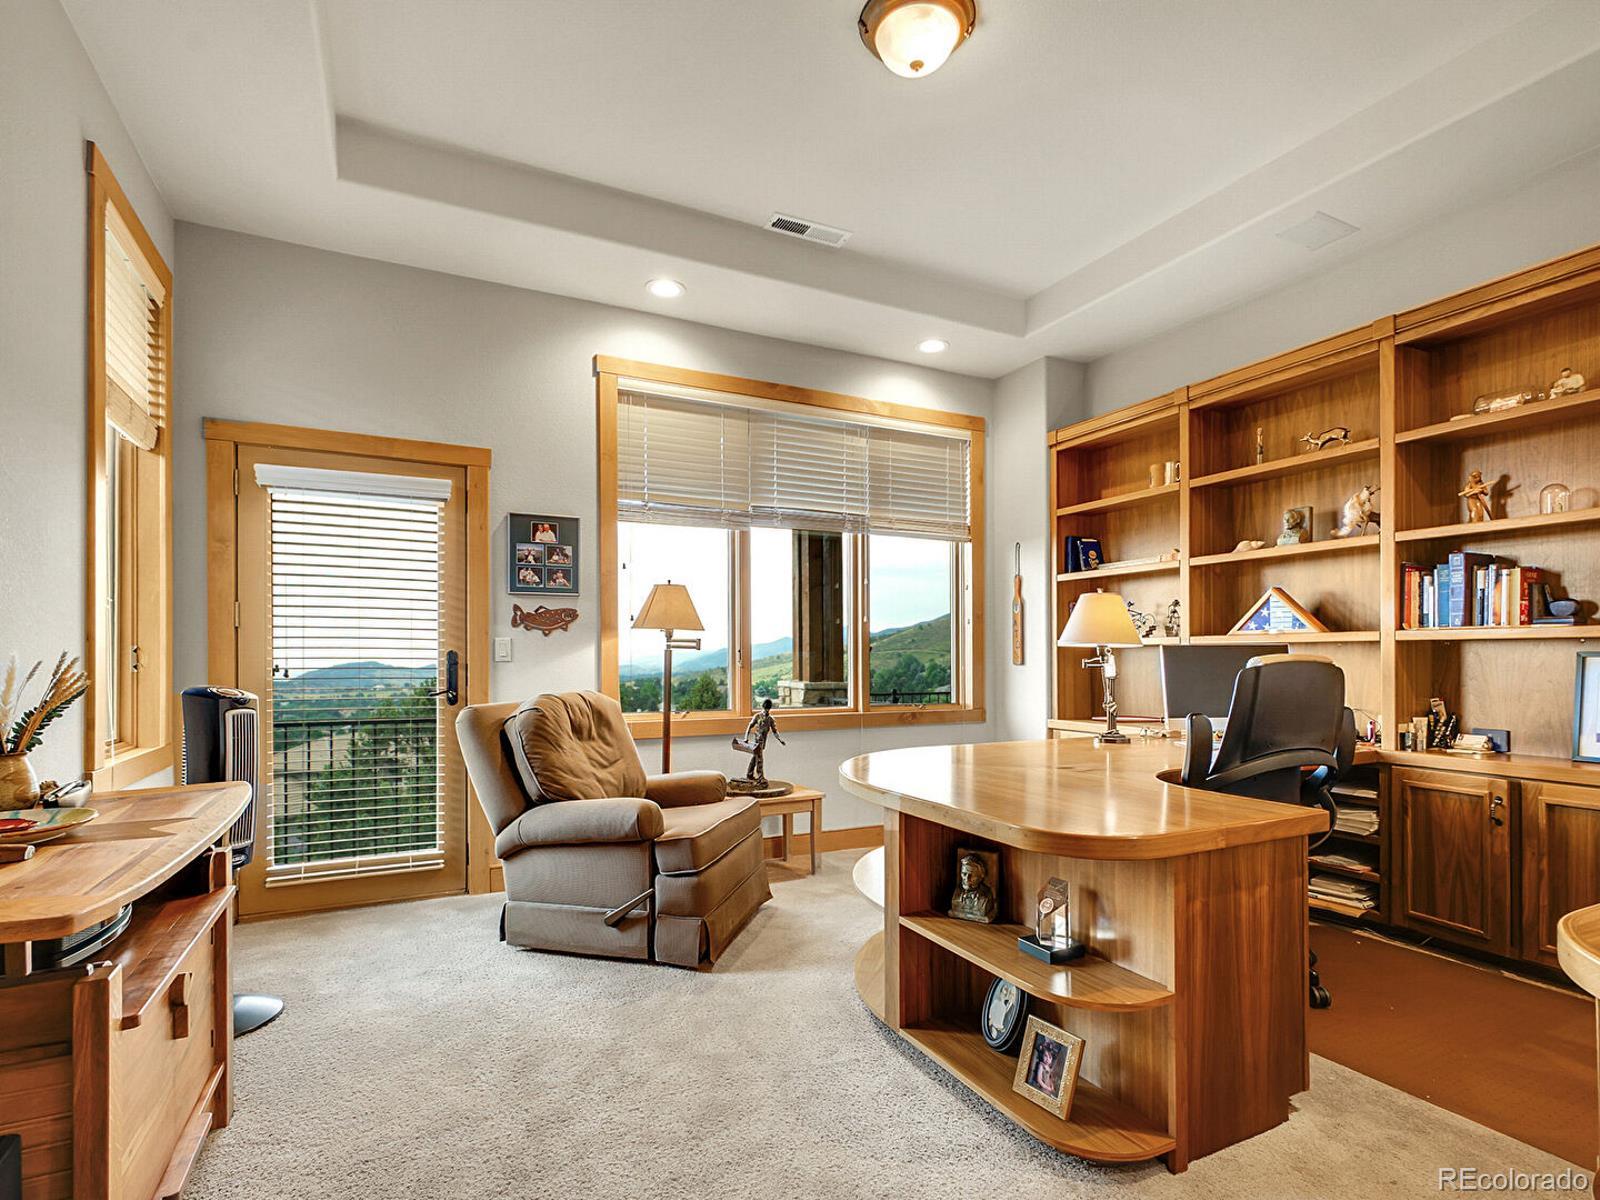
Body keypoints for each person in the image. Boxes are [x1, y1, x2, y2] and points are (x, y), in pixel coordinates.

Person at [947, 852, 998, 924]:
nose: (967, 879)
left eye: (971, 875)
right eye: (964, 874)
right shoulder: (957, 892)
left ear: (981, 876)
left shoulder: (987, 895)